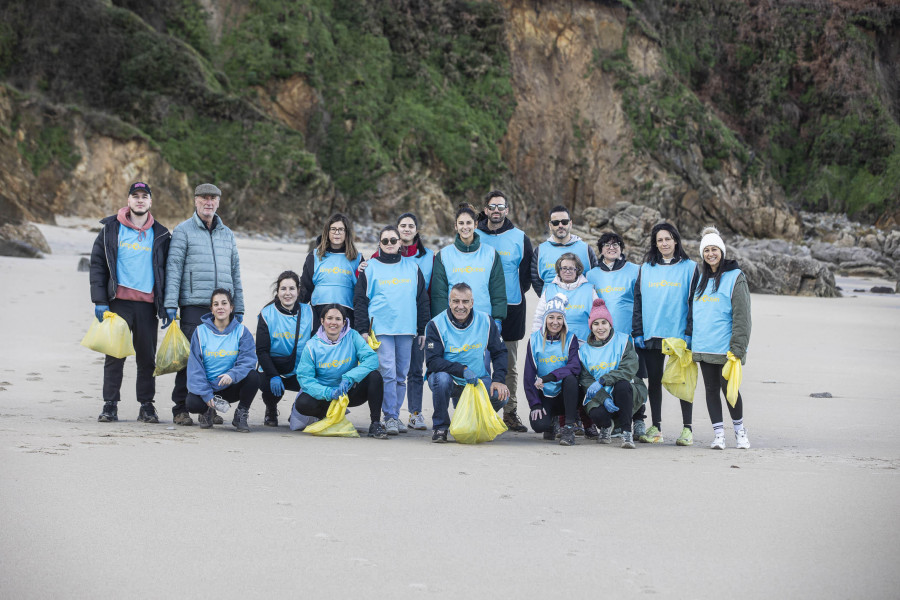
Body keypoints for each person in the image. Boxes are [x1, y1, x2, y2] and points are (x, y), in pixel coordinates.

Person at [164, 183, 244, 426]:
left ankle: (209, 409)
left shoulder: (227, 234)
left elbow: (235, 272)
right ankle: (180, 408)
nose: (208, 202)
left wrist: (238, 306)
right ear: (195, 201)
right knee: (189, 359)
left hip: (223, 308)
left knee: (218, 359)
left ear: (219, 202)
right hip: (195, 305)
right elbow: (174, 268)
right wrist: (171, 304)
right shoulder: (183, 231)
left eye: (213, 198)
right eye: (204, 198)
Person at [90, 182, 170, 423]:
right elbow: (97, 264)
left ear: (150, 202)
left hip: (147, 306)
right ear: (128, 200)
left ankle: (146, 406)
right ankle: (110, 405)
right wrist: (100, 300)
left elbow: (168, 270)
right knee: (114, 356)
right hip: (118, 304)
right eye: (135, 196)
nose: (139, 200)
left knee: (147, 358)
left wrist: (167, 304)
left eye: (144, 196)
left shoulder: (162, 233)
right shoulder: (110, 229)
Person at [354, 225, 430, 435]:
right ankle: (389, 417)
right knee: (387, 372)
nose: (389, 244)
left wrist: (423, 328)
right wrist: (362, 329)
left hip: (406, 330)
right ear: (379, 244)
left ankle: (394, 416)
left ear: (400, 243)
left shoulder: (412, 268)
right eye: (385, 241)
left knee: (401, 374)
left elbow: (422, 300)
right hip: (381, 330)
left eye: (393, 240)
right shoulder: (370, 267)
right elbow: (360, 301)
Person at [632, 223, 698, 445]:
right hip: (652, 333)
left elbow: (694, 303)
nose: (664, 243)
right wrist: (638, 331)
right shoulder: (646, 268)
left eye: (668, 239)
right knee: (655, 382)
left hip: (678, 335)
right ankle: (656, 426)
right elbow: (638, 301)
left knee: (682, 382)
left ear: (676, 240)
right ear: (655, 243)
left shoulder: (690, 268)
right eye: (660, 240)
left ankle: (687, 429)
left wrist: (690, 332)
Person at [477, 190, 533, 433]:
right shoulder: (475, 234)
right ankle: (481, 410)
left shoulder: (520, 238)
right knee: (479, 361)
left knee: (509, 363)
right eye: (492, 207)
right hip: (479, 309)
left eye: (501, 206)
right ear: (486, 210)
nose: (496, 211)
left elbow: (526, 276)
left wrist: (511, 294)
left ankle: (510, 411)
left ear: (507, 210)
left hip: (512, 309)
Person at [425, 283, 510, 443]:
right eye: (455, 301)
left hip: (477, 379)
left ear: (472, 303)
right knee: (441, 380)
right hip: (449, 379)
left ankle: (473, 421)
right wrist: (461, 370)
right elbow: (432, 362)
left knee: (501, 395)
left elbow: (500, 352)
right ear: (449, 302)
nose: (460, 306)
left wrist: (498, 379)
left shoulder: (485, 321)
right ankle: (441, 426)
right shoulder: (435, 324)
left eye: (465, 302)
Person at [691, 227, 751, 450]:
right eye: (706, 250)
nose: (710, 254)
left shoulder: (736, 276)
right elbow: (693, 312)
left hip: (726, 348)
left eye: (714, 249)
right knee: (710, 390)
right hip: (705, 345)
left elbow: (742, 315)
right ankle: (718, 434)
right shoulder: (700, 278)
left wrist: (738, 347)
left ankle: (739, 431)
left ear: (722, 251)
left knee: (730, 390)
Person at [294, 304, 388, 439]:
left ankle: (375, 423)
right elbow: (305, 378)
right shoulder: (312, 346)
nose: (333, 323)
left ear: (344, 323)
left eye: (338, 319)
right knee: (302, 404)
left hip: (349, 391)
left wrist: (350, 377)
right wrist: (328, 393)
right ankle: (329, 417)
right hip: (325, 395)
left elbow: (372, 359)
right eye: (329, 318)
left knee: (375, 376)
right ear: (322, 321)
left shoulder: (353, 336)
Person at [585, 232, 642, 439]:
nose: (612, 247)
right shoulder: (591, 275)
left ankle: (640, 420)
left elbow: (641, 302)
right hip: (602, 338)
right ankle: (614, 423)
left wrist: (639, 330)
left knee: (631, 378)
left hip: (628, 335)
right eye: (607, 245)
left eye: (616, 244)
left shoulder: (635, 270)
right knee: (606, 375)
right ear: (600, 250)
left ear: (621, 248)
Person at [185, 288, 258, 432]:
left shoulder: (242, 331)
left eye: (224, 303)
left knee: (254, 376)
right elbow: (195, 368)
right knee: (192, 403)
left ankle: (241, 414)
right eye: (216, 304)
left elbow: (248, 360)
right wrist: (206, 394)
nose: (220, 307)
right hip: (209, 389)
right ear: (211, 309)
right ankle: (207, 411)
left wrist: (233, 374)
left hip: (231, 386)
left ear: (231, 308)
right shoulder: (200, 332)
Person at [578, 299, 648, 449]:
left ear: (610, 324)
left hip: (622, 390)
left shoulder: (623, 341)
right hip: (600, 394)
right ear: (591, 327)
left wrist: (603, 380)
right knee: (597, 414)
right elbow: (585, 379)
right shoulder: (584, 351)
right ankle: (606, 427)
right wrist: (603, 398)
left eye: (604, 323)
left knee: (623, 386)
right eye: (596, 324)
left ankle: (626, 432)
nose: (600, 327)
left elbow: (628, 369)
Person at [430, 203, 506, 324]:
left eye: (469, 223)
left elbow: (497, 291)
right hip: (453, 321)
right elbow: (439, 295)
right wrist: (442, 322)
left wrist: (497, 319)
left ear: (475, 225)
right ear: (455, 226)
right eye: (461, 223)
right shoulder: (444, 255)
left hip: (484, 320)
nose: (465, 227)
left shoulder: (491, 254)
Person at [256, 271, 315, 427]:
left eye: (291, 288)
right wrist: (274, 375)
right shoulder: (267, 314)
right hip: (274, 369)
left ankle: (297, 409)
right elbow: (261, 351)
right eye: (283, 289)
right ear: (278, 291)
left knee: (315, 390)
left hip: (300, 371)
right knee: (269, 387)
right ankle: (271, 409)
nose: (287, 293)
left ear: (298, 290)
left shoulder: (309, 312)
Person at [523, 294, 582, 446]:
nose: (555, 322)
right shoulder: (535, 339)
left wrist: (550, 376)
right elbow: (528, 375)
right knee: (539, 425)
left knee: (571, 379)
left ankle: (568, 427)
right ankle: (551, 421)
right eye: (551, 317)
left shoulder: (570, 338)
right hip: (544, 393)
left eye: (559, 318)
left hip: (565, 394)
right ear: (545, 319)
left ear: (564, 320)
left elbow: (574, 367)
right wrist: (534, 403)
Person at [396, 212, 434, 430]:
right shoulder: (384, 252)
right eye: (403, 225)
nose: (407, 229)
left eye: (411, 226)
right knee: (391, 370)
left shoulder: (428, 256)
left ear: (416, 230)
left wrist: (429, 324)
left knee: (415, 369)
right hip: (392, 321)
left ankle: (415, 413)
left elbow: (433, 290)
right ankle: (391, 413)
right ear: (397, 229)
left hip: (418, 321)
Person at [299, 213, 362, 328]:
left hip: (346, 315)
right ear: (327, 232)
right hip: (318, 314)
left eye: (340, 229)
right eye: (333, 229)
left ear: (346, 233)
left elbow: (361, 292)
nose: (336, 233)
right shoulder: (314, 256)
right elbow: (305, 288)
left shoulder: (357, 258)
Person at [531, 205, 597, 296]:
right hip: (551, 306)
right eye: (556, 223)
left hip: (580, 307)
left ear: (570, 224)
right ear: (550, 225)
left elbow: (595, 277)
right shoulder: (540, 250)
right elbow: (535, 280)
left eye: (564, 222)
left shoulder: (586, 249)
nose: (560, 225)